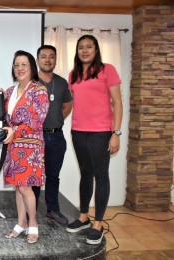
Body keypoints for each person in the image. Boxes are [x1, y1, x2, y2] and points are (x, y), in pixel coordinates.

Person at [65, 35, 122, 245]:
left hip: (101, 133)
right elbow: (72, 102)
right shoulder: (74, 74)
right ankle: (83, 216)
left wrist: (116, 133)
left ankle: (98, 223)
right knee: (86, 174)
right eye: (81, 47)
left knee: (101, 175)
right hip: (78, 131)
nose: (85, 51)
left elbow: (117, 102)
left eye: (89, 47)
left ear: (96, 50)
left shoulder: (108, 70)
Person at [3, 50, 49, 244]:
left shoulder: (39, 90)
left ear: (32, 67)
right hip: (14, 146)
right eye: (16, 65)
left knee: (26, 187)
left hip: (31, 146)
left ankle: (33, 224)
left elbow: (37, 119)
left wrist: (15, 130)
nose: (20, 68)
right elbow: (4, 118)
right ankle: (21, 223)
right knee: (18, 187)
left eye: (24, 64)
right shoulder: (9, 92)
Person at [32, 45, 73, 225]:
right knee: (33, 177)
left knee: (53, 176)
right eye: (43, 56)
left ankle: (53, 210)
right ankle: (30, 210)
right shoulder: (31, 82)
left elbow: (67, 105)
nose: (47, 60)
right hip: (35, 137)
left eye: (51, 57)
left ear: (55, 60)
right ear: (37, 60)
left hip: (56, 137)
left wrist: (56, 120)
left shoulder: (62, 82)